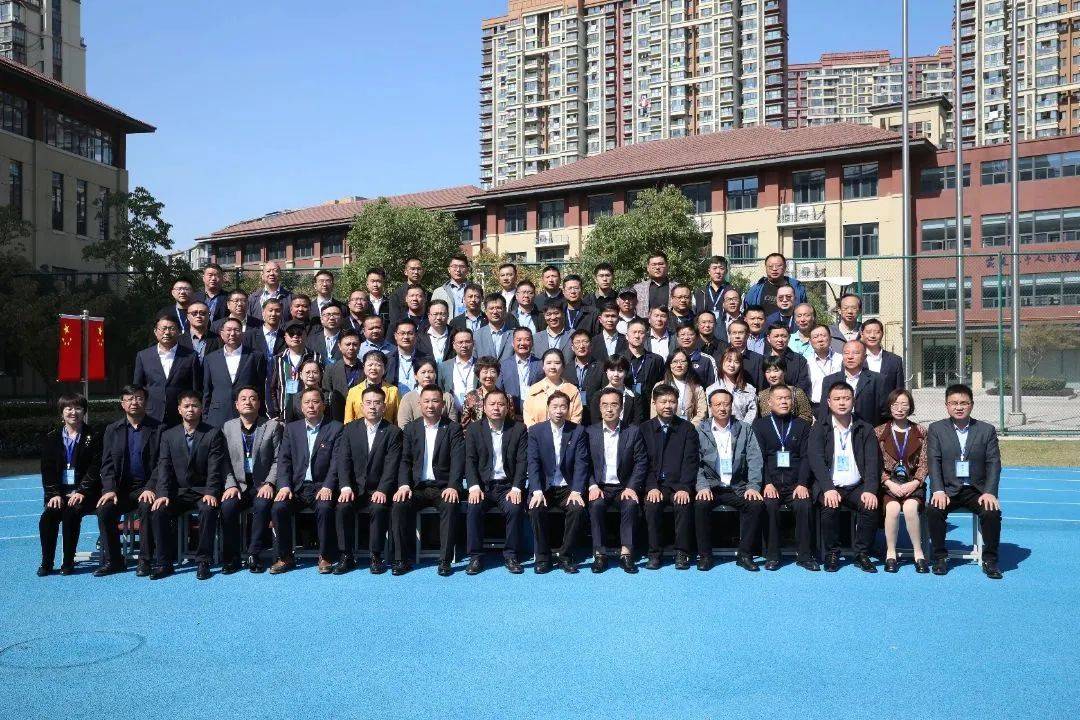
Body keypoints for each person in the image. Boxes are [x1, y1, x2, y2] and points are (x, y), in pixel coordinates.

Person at [926, 384, 1003, 579]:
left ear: (971, 405)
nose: (959, 407)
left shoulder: (986, 430)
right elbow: (933, 461)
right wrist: (938, 490)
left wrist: (990, 492)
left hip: (976, 490)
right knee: (934, 510)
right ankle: (940, 557)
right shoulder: (936, 429)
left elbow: (993, 463)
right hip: (948, 489)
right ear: (947, 405)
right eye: (954, 403)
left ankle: (990, 559)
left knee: (992, 512)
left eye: (963, 403)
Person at [148, 392, 226, 580]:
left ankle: (203, 561)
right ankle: (164, 562)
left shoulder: (213, 433)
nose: (191, 409)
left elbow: (215, 467)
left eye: (195, 405)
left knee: (208, 509)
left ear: (201, 409)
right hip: (178, 492)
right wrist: (162, 493)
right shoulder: (169, 435)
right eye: (186, 406)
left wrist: (211, 491)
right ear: (179, 410)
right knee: (159, 510)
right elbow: (164, 466)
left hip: (202, 491)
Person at [267, 388, 343, 575]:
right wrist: (284, 486)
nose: (311, 406)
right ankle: (285, 557)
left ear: (323, 405)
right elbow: (284, 460)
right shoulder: (291, 429)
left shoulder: (336, 428)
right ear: (301, 407)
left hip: (321, 486)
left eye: (315, 402)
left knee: (325, 508)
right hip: (297, 487)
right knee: (279, 507)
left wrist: (328, 486)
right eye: (307, 402)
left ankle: (325, 556)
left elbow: (337, 462)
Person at [394, 386, 466, 576]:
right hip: (417, 487)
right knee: (399, 505)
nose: (430, 405)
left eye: (435, 401)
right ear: (420, 404)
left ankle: (445, 560)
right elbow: (405, 460)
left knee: (450, 505)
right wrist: (404, 485)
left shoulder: (453, 428)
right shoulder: (411, 429)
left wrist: (453, 486)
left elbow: (458, 461)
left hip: (443, 487)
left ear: (442, 404)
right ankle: (401, 559)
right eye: (426, 401)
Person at [809, 381, 881, 573]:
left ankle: (862, 553)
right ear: (829, 402)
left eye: (846, 398)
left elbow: (873, 462)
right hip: (830, 485)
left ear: (853, 401)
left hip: (857, 485)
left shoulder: (865, 428)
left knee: (870, 505)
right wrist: (828, 488)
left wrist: (870, 490)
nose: (842, 403)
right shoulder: (819, 428)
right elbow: (816, 460)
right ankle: (832, 552)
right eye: (837, 399)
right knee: (829, 506)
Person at [334, 385, 402, 575]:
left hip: (379, 489)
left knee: (379, 508)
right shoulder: (349, 429)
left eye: (377, 403)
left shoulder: (393, 432)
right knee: (342, 507)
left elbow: (391, 465)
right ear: (361, 406)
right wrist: (345, 487)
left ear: (384, 406)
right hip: (354, 489)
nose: (372, 407)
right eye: (368, 403)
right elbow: (343, 461)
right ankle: (346, 555)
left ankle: (376, 555)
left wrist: (383, 489)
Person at [694, 389, 764, 572]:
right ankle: (705, 555)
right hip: (711, 486)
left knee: (755, 504)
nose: (722, 408)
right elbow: (694, 462)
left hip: (737, 486)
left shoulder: (745, 428)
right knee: (700, 505)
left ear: (731, 406)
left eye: (726, 404)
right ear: (710, 407)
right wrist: (702, 486)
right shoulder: (700, 430)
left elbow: (755, 459)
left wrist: (753, 486)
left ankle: (745, 555)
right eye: (717, 404)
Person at [95, 385, 162, 577]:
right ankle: (113, 560)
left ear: (145, 402)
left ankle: (145, 560)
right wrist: (109, 489)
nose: (134, 402)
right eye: (130, 399)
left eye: (139, 398)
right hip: (120, 489)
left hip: (146, 487)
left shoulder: (159, 428)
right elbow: (107, 464)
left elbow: (162, 463)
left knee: (147, 507)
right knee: (104, 509)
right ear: (122, 403)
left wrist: (151, 487)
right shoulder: (112, 430)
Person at [751, 384, 818, 571]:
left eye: (787, 398)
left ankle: (805, 555)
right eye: (779, 398)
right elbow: (758, 458)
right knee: (769, 505)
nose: (784, 401)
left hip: (795, 483)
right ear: (769, 402)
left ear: (793, 401)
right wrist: (767, 483)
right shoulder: (760, 425)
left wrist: (802, 483)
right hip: (771, 483)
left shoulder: (802, 425)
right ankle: (772, 555)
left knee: (804, 504)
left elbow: (806, 457)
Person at [37, 393, 103, 577]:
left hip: (85, 493)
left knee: (71, 514)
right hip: (59, 492)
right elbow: (47, 469)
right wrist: (53, 494)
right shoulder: (51, 438)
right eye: (69, 408)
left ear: (84, 411)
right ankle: (47, 562)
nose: (73, 412)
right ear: (62, 412)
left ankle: (68, 562)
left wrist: (82, 491)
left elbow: (96, 467)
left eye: (78, 408)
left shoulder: (95, 436)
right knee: (48, 518)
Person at [464, 389, 528, 575]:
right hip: (483, 486)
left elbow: (522, 461)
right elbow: (470, 460)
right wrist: (474, 486)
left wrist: (516, 487)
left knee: (515, 508)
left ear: (507, 407)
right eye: (492, 404)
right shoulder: (474, 429)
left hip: (507, 486)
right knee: (473, 508)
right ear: (484, 407)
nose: (496, 408)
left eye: (501, 404)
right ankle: (475, 556)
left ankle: (511, 555)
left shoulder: (518, 429)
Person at [218, 387, 282, 574]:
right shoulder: (228, 427)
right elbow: (223, 461)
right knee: (227, 507)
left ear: (259, 404)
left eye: (253, 398)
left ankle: (254, 554)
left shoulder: (271, 426)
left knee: (262, 505)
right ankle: (232, 558)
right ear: (237, 405)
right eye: (243, 399)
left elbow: (278, 459)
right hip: (237, 484)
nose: (248, 402)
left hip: (262, 483)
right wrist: (230, 484)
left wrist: (270, 483)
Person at [585, 388, 648, 573]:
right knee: (595, 505)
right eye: (605, 405)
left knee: (630, 504)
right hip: (600, 486)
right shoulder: (590, 432)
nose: (609, 409)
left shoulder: (633, 431)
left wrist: (632, 487)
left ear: (621, 408)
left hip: (624, 487)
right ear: (599, 408)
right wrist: (592, 485)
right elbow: (584, 463)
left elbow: (641, 461)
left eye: (614, 404)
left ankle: (626, 554)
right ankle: (599, 554)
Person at [527, 391, 590, 574]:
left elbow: (582, 463)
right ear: (548, 408)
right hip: (544, 487)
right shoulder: (536, 431)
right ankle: (543, 557)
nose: (559, 410)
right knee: (535, 508)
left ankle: (565, 556)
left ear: (568, 409)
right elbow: (533, 463)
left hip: (568, 487)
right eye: (555, 406)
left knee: (577, 509)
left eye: (563, 406)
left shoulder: (578, 431)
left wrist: (577, 490)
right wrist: (536, 490)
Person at [641, 384, 699, 570]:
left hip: (678, 484)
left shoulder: (687, 429)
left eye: (672, 401)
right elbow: (642, 462)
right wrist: (651, 487)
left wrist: (684, 487)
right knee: (651, 505)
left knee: (683, 503)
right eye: (663, 401)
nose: (668, 405)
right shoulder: (644, 429)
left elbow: (691, 461)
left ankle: (682, 552)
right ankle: (654, 553)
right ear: (654, 403)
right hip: (655, 484)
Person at [875, 389, 929, 574]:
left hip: (913, 484)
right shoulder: (879, 432)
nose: (899, 408)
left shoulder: (921, 431)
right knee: (892, 509)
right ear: (889, 407)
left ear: (910, 407)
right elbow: (875, 464)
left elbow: (925, 463)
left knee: (910, 508)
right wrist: (888, 483)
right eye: (895, 404)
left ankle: (918, 552)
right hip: (888, 485)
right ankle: (890, 553)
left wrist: (915, 483)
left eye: (904, 404)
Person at [133, 315, 201, 427]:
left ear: (179, 332)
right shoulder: (143, 356)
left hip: (180, 416)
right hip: (151, 414)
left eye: (172, 328)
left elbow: (195, 388)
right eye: (163, 329)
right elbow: (138, 388)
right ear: (155, 331)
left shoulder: (190, 356)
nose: (167, 332)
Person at [202, 318, 267, 428]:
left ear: (242, 333)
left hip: (247, 415)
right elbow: (207, 391)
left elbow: (261, 388)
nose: (232, 334)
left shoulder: (256, 356)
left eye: (236, 330)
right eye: (228, 330)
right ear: (221, 333)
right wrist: (205, 416)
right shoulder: (210, 358)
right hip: (217, 416)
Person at [818, 340, 886, 426]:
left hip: (868, 429)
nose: (850, 357)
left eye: (856, 353)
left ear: (864, 357)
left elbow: (884, 412)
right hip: (836, 430)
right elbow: (824, 412)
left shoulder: (878, 380)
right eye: (846, 353)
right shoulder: (829, 380)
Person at [266, 320, 317, 421]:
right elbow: (270, 388)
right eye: (291, 333)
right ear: (285, 337)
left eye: (299, 333)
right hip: (283, 416)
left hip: (310, 415)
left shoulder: (316, 357)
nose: (295, 336)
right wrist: (274, 414)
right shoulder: (277, 359)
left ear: (305, 335)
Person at [522, 348, 583, 427]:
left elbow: (576, 418)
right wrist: (537, 433)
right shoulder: (534, 390)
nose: (552, 367)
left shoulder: (572, 390)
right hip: (537, 433)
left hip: (566, 433)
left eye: (557, 363)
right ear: (543, 366)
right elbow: (528, 417)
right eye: (548, 363)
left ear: (563, 366)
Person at [396, 358, 458, 428]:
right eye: (423, 372)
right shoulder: (408, 398)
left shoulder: (447, 397)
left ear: (436, 374)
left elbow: (453, 425)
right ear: (415, 376)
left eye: (430, 372)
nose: (427, 376)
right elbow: (404, 426)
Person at [743, 252, 807, 318]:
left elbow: (804, 311)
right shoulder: (755, 290)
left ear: (785, 267)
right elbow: (747, 313)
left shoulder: (798, 288)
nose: (774, 269)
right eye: (770, 266)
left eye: (778, 266)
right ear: (766, 268)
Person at [461, 356, 518, 430]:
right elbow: (465, 424)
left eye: (492, 372)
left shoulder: (506, 397)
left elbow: (511, 421)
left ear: (497, 375)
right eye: (485, 372)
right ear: (478, 376)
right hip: (477, 434)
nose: (489, 375)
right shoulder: (470, 397)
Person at [344, 350, 399, 423]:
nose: (373, 368)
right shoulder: (353, 391)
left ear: (384, 368)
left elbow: (397, 419)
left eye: (378, 365)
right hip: (360, 429)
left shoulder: (393, 391)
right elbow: (348, 420)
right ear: (364, 367)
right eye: (370, 365)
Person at [757, 356, 815, 425]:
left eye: (776, 371)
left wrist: (791, 427)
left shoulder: (796, 392)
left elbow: (807, 416)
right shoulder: (762, 395)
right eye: (768, 371)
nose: (772, 375)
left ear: (784, 371)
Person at [654, 349, 707, 423]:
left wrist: (689, 427)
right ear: (669, 364)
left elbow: (702, 413)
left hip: (690, 428)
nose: (679, 365)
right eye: (675, 361)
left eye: (683, 361)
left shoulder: (697, 388)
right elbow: (654, 413)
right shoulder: (659, 386)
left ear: (688, 364)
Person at [624, 318, 665, 413]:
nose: (637, 336)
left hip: (648, 408)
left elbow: (661, 385)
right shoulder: (620, 359)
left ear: (646, 336)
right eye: (634, 332)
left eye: (641, 332)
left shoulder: (656, 360)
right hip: (625, 408)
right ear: (627, 336)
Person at [497, 327, 543, 412]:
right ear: (513, 343)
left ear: (532, 343)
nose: (522, 343)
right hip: (511, 412)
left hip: (535, 411)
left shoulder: (541, 364)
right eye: (519, 340)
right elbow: (499, 390)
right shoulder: (503, 365)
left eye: (527, 339)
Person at [588, 355, 642, 426]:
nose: (616, 374)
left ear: (625, 373)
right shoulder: (597, 396)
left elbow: (637, 424)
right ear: (606, 371)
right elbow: (596, 423)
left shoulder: (634, 397)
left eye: (620, 370)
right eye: (612, 370)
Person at [564, 329, 604, 423]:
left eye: (585, 342)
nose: (581, 346)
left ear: (591, 345)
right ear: (572, 347)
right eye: (577, 342)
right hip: (572, 417)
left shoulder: (601, 367)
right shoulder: (566, 369)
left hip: (595, 416)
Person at [760, 324, 811, 397]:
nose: (780, 340)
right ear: (768, 338)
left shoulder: (799, 360)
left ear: (789, 338)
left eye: (783, 336)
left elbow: (803, 386)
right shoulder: (762, 360)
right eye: (776, 336)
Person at [860, 318, 905, 400]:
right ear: (862, 334)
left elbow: (899, 391)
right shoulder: (856, 359)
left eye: (877, 332)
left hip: (886, 406)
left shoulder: (895, 361)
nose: (872, 336)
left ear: (882, 334)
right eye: (868, 332)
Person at [324, 329, 363, 422]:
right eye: (347, 344)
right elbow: (326, 392)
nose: (351, 347)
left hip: (360, 417)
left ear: (360, 346)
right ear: (339, 346)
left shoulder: (365, 368)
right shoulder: (331, 369)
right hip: (337, 417)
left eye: (355, 344)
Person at [385, 318, 429, 395]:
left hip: (420, 400)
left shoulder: (426, 359)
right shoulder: (386, 359)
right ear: (395, 336)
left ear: (416, 335)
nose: (406, 337)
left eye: (410, 333)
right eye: (402, 333)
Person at [438, 328, 478, 413]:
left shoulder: (480, 365)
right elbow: (440, 390)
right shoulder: (443, 367)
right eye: (460, 342)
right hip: (451, 414)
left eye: (467, 342)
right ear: (453, 345)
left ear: (473, 343)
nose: (464, 345)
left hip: (476, 414)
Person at [716, 349, 757, 423]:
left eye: (736, 362)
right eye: (729, 361)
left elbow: (752, 413)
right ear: (722, 362)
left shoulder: (749, 389)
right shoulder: (712, 389)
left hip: (743, 429)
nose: (732, 365)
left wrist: (742, 428)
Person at [806, 324, 843, 407]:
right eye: (815, 337)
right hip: (815, 407)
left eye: (823, 335)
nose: (820, 340)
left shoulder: (841, 359)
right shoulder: (806, 362)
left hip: (838, 406)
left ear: (830, 338)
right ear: (810, 341)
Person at [473, 293, 514, 362]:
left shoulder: (514, 334)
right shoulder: (477, 336)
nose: (495, 312)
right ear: (486, 311)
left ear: (505, 310)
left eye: (499, 308)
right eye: (491, 308)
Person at [388, 257, 428, 327]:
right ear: (405, 272)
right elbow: (394, 321)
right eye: (412, 269)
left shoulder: (428, 294)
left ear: (423, 271)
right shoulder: (396, 295)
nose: (416, 272)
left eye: (419, 269)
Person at [725, 319, 763, 388]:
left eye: (741, 333)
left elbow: (761, 386)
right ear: (729, 335)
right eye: (734, 333)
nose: (737, 336)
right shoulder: (722, 357)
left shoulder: (758, 359)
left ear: (748, 335)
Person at [431, 254, 471, 319]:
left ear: (467, 270)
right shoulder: (439, 292)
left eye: (462, 267)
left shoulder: (476, 291)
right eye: (454, 266)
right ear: (449, 269)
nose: (458, 270)